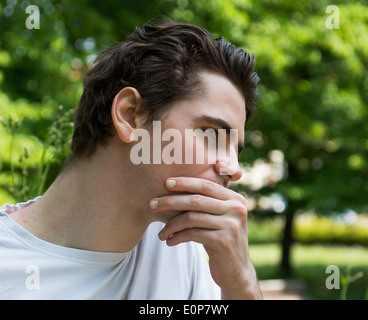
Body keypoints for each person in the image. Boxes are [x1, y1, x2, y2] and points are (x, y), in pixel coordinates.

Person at [0, 19, 262, 300]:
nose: (233, 169)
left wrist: (241, 283)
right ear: (129, 115)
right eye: (212, 134)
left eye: (236, 149)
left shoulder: (181, 251)